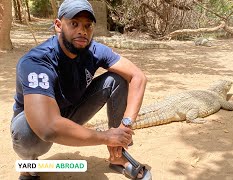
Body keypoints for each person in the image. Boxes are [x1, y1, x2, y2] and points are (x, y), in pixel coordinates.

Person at [10, 0, 151, 179]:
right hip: (36, 125)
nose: (82, 31)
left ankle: (118, 156)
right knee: (26, 132)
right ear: (59, 25)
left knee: (117, 79)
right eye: (74, 24)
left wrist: (125, 127)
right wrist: (106, 136)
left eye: (87, 25)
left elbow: (138, 77)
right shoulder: (37, 61)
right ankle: (29, 164)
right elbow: (48, 127)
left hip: (71, 111)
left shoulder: (94, 50)